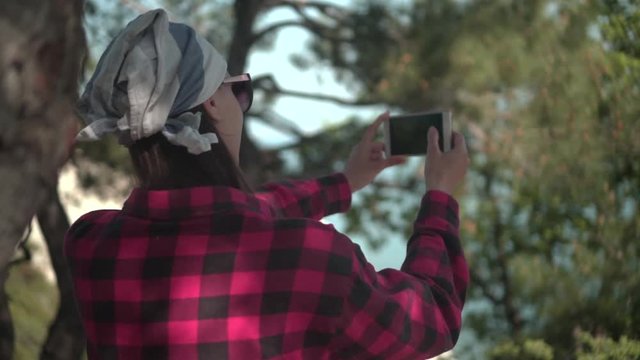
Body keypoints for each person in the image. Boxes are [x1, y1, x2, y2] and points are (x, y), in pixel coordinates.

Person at [65, 8, 470, 360]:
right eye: (237, 90)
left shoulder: (91, 244)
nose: (241, 101)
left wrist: (345, 182)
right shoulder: (316, 261)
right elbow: (433, 316)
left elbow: (237, 218)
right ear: (212, 105)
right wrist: (440, 198)